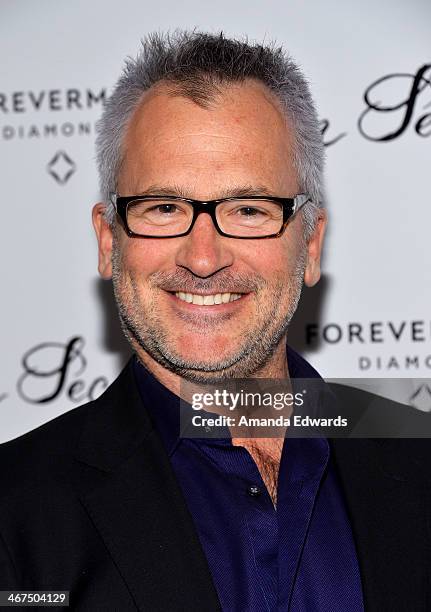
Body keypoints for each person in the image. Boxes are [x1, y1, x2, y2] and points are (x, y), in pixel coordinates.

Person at [0, 31, 430, 611]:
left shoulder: (420, 466)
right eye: (164, 208)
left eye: (249, 210)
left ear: (310, 245)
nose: (203, 257)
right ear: (108, 242)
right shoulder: (14, 513)